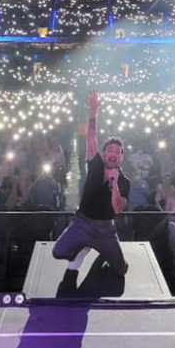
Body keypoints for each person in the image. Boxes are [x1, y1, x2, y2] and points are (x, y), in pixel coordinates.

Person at [53, 91, 130, 279]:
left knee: (121, 269)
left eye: (117, 152)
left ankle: (102, 248)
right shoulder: (95, 164)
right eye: (110, 150)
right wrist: (93, 112)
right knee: (58, 253)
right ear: (103, 154)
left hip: (105, 228)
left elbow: (118, 209)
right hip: (82, 222)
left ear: (121, 157)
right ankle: (84, 246)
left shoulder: (124, 181)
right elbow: (90, 136)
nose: (113, 154)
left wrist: (114, 183)